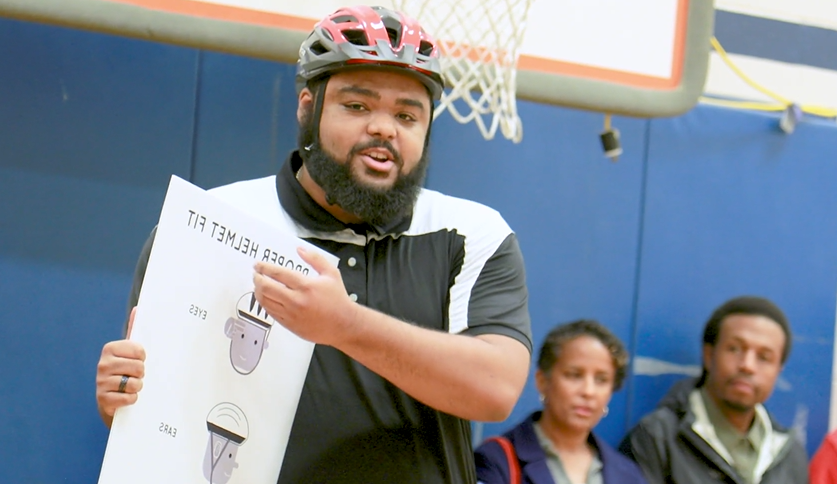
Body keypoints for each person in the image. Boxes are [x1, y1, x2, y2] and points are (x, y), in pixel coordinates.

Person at [93, 5, 532, 483]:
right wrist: (122, 395)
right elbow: (154, 413)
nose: (384, 127)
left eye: (407, 114)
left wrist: (344, 325)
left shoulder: (472, 234)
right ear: (308, 106)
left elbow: (496, 388)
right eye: (357, 105)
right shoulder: (210, 222)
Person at [619, 296, 808, 484]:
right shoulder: (657, 438)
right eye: (734, 349)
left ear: (778, 370)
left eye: (764, 357)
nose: (748, 366)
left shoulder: (790, 454)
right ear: (709, 355)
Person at [475, 319, 647, 484]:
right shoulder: (496, 460)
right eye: (574, 375)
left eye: (601, 380)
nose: (588, 391)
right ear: (542, 381)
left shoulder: (628, 474)